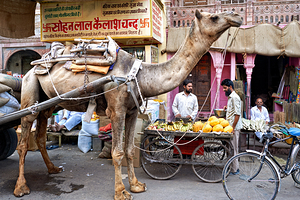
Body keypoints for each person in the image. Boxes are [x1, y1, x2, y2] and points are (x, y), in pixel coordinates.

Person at [221, 79, 242, 175]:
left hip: (234, 127)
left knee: (234, 148)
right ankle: (231, 167)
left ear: (230, 87)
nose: (223, 90)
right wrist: (227, 107)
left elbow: (237, 114)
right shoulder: (230, 97)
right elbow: (233, 110)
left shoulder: (235, 97)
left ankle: (235, 169)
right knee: (230, 148)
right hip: (230, 127)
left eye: (225, 88)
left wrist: (233, 127)